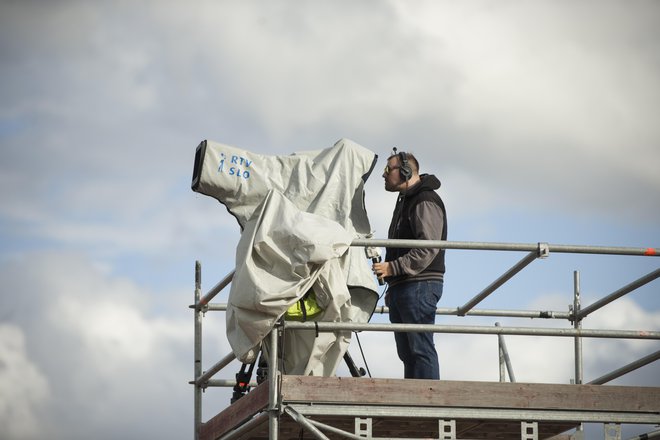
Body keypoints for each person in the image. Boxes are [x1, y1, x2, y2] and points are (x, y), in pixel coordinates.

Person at [372, 149, 447, 379]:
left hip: (419, 285)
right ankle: (416, 408)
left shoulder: (424, 199)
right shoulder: (406, 199)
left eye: (388, 170)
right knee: (408, 353)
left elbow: (428, 247)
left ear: (405, 171)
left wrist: (392, 268)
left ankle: (428, 407)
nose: (384, 175)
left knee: (420, 350)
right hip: (405, 286)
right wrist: (393, 280)